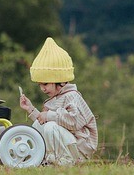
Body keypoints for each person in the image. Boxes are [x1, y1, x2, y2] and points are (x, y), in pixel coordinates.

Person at [20, 37, 98, 165]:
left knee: (51, 127)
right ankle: (40, 157)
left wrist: (48, 115)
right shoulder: (56, 97)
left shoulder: (71, 96)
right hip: (68, 142)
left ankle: (63, 161)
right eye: (40, 85)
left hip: (80, 148)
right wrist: (31, 109)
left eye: (45, 84)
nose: (42, 88)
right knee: (39, 125)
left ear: (59, 80)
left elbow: (73, 122)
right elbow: (47, 121)